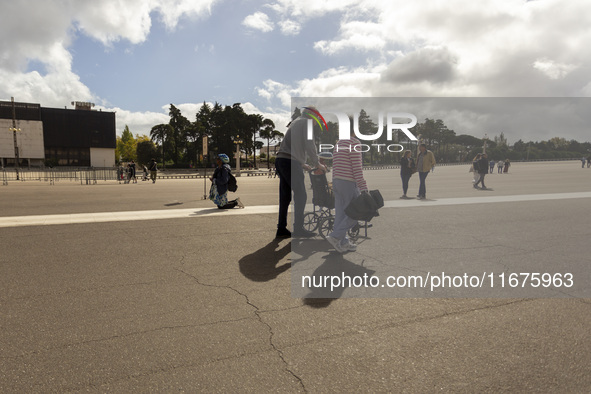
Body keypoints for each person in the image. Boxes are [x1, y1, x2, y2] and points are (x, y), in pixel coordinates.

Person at [274, 107, 325, 238]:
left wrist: (302, 164)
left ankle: (281, 228)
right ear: (312, 116)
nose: (316, 122)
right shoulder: (306, 123)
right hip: (290, 162)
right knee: (301, 195)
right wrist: (317, 163)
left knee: (285, 197)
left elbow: (292, 146)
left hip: (281, 160)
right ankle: (298, 229)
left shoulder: (296, 122)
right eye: (317, 119)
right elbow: (310, 145)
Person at [326, 136, 368, 253]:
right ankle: (335, 236)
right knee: (356, 212)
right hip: (348, 182)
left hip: (337, 181)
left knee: (341, 213)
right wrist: (363, 187)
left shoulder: (338, 143)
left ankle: (343, 242)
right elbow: (357, 168)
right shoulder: (354, 142)